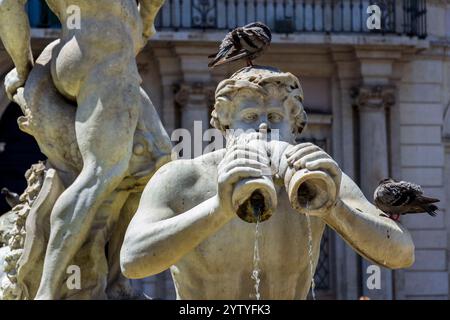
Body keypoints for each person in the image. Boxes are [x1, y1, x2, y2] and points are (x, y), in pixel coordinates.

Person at [120, 66, 415, 299]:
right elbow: (132, 260)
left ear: (294, 128)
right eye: (249, 117)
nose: (263, 126)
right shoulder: (185, 178)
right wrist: (219, 209)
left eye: (275, 117)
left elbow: (401, 253)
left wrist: (333, 208)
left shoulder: (317, 179)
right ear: (226, 125)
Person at [0, 0, 167, 299]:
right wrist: (145, 21)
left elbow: (8, 5)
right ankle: (48, 292)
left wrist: (23, 66)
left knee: (158, 161)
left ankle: (115, 281)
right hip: (107, 54)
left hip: (79, 52)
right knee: (99, 174)